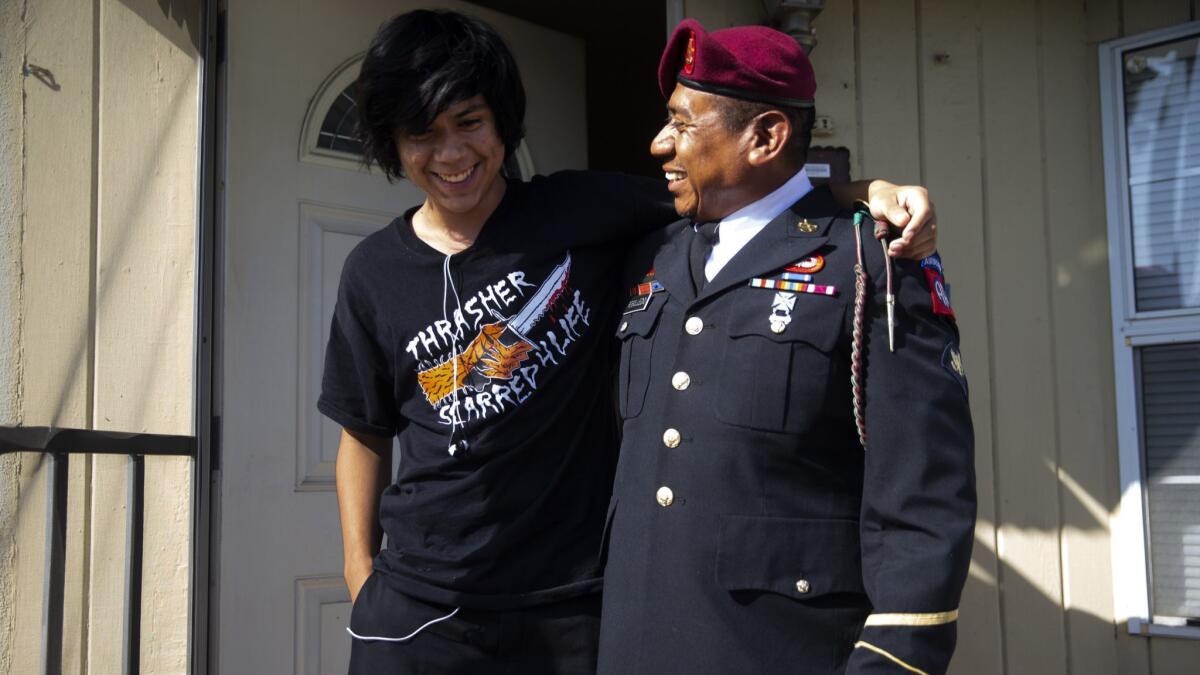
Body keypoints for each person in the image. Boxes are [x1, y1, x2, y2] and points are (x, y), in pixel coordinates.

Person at [318, 9, 942, 674]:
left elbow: (736, 195)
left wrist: (861, 191)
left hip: (567, 607)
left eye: (469, 122)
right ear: (394, 143)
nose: (450, 154)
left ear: (500, 120)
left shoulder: (585, 210)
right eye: (422, 134)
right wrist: (361, 573)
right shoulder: (372, 273)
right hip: (418, 608)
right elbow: (362, 431)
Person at [597, 19, 976, 675]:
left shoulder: (867, 261)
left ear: (766, 136)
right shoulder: (650, 253)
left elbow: (923, 497)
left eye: (683, 124)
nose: (660, 143)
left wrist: (893, 661)